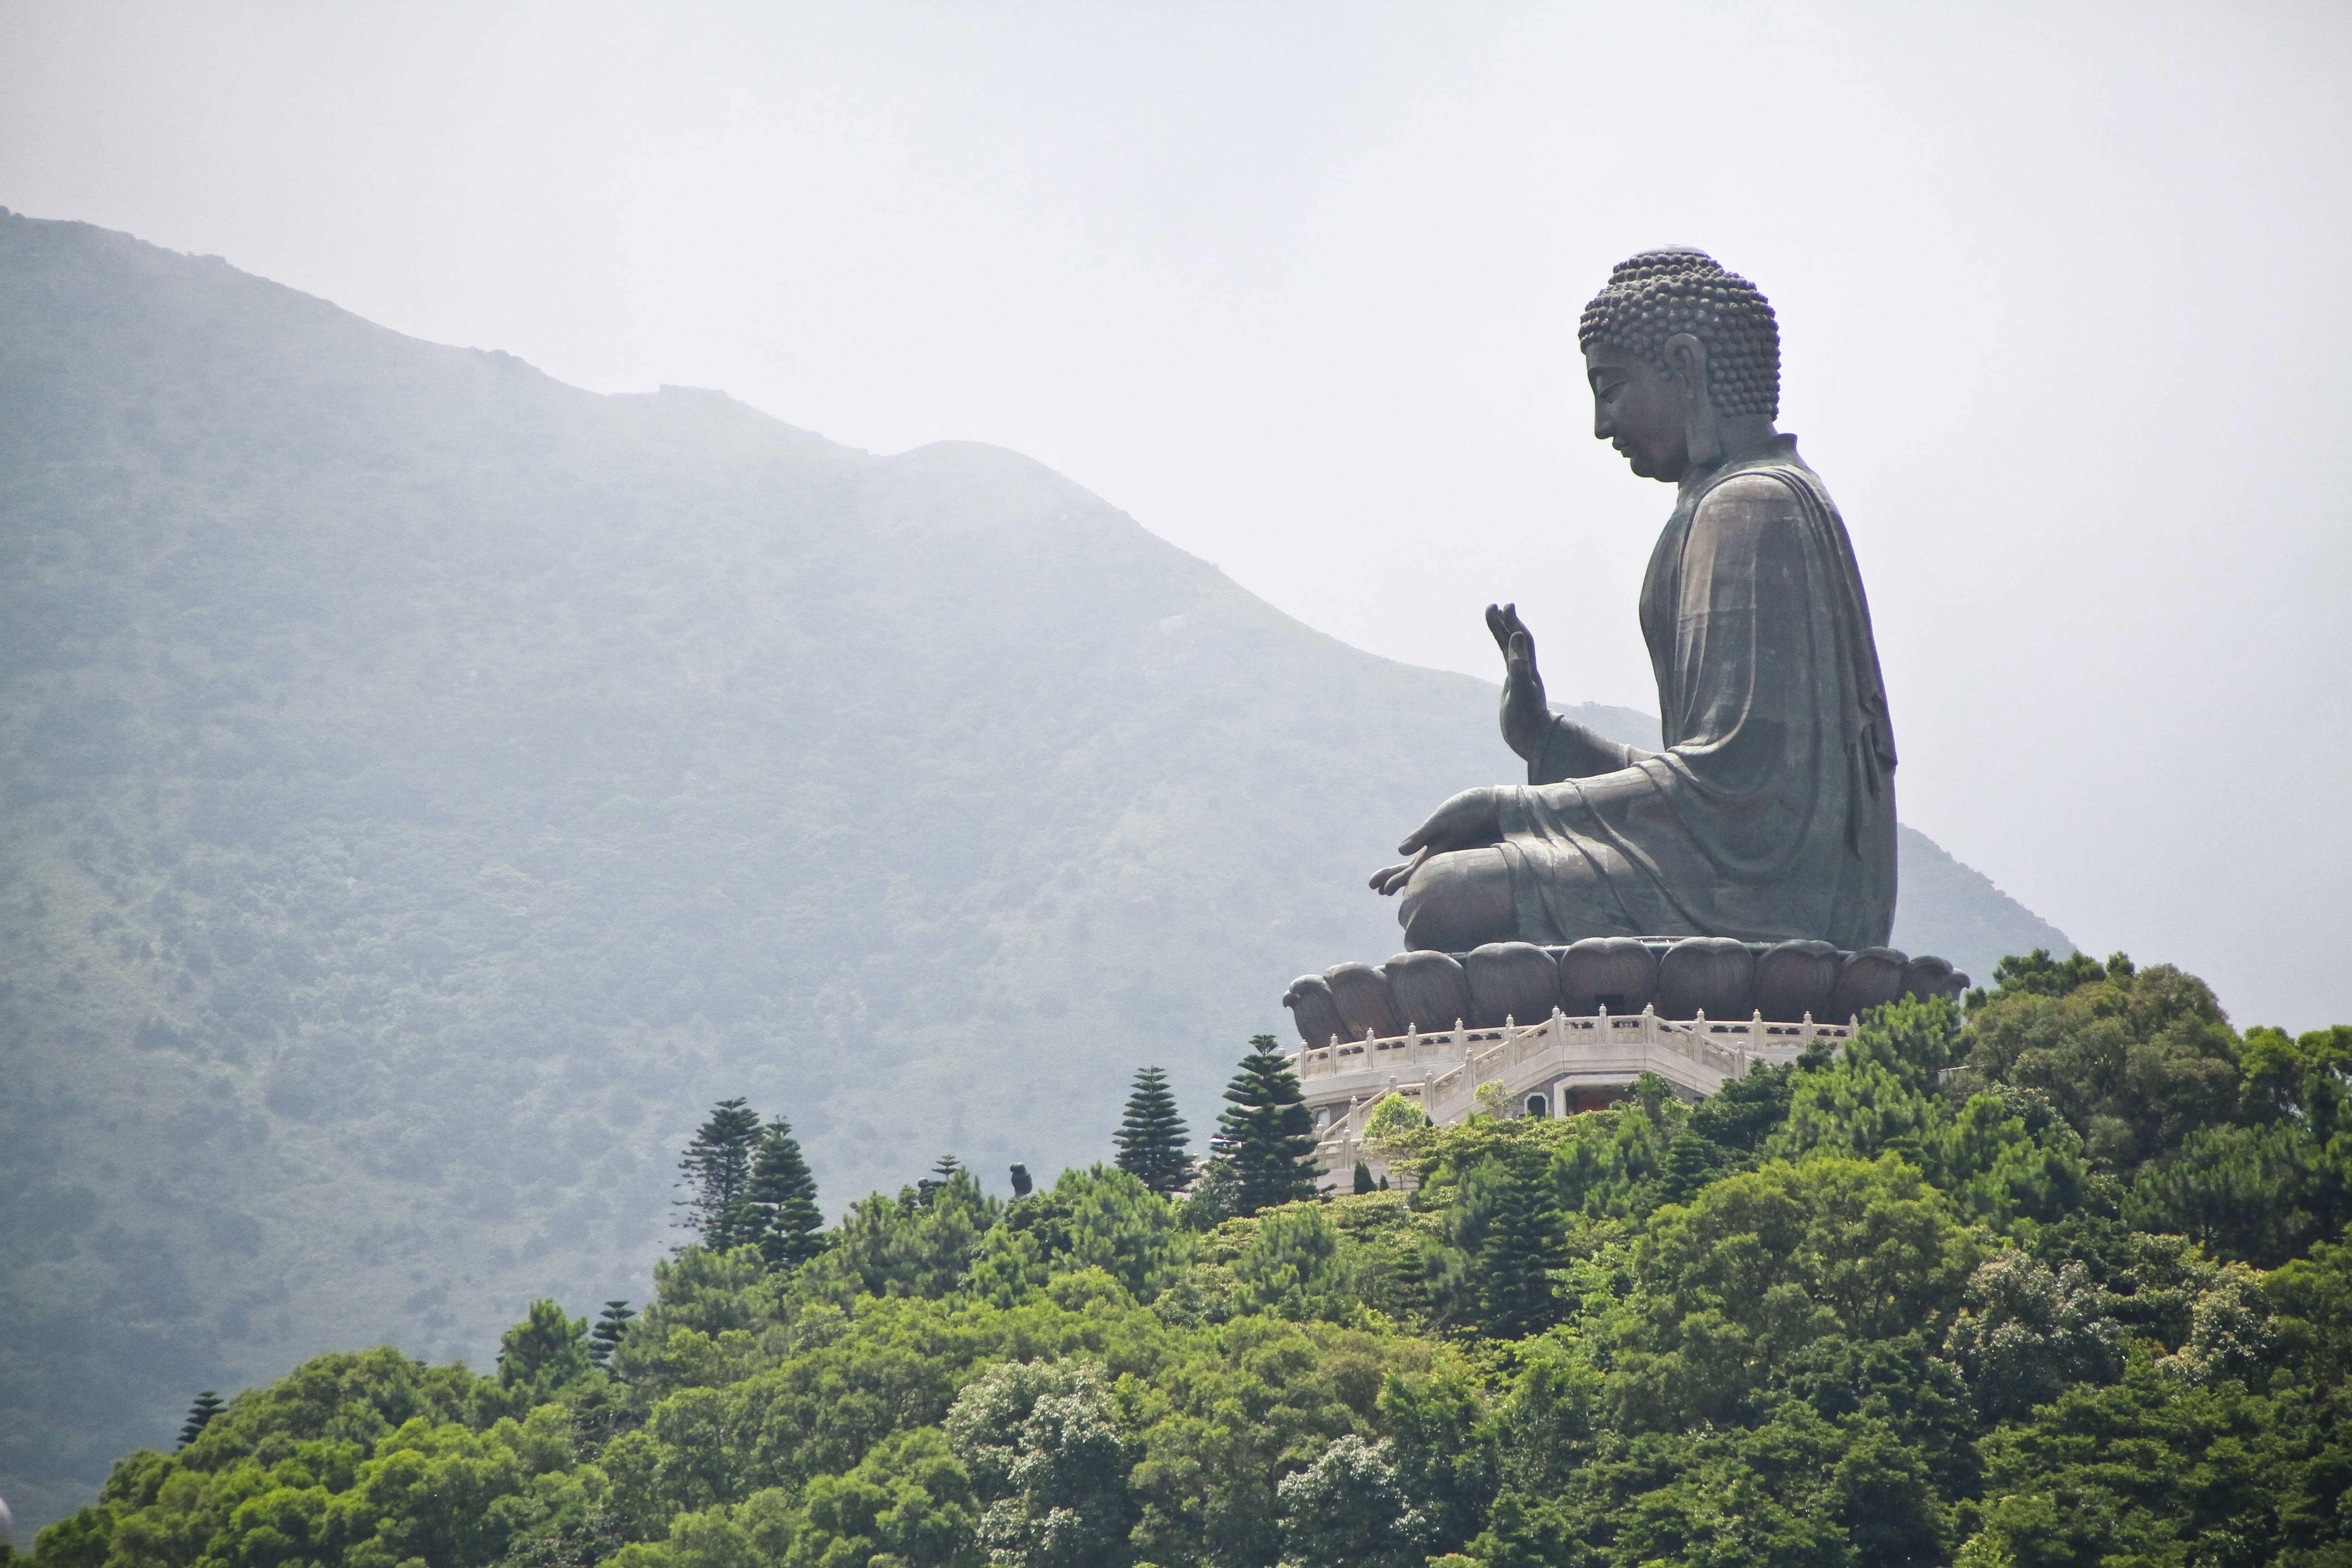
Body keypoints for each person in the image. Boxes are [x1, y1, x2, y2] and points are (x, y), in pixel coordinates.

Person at [1369, 247, 1897, 951]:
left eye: (1611, 389)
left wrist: (1509, 808)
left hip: (1769, 902)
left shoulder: (1752, 508)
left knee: (1446, 899)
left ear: (1685, 365)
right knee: (1444, 897)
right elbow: (1703, 783)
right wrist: (1545, 740)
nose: (1600, 423)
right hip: (1733, 873)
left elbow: (1736, 803)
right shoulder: (1726, 504)